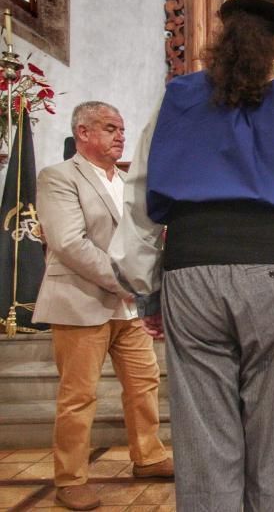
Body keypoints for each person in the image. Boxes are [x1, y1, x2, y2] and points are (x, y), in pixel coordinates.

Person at [109, 0, 274, 512]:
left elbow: (139, 200)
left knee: (203, 437)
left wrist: (147, 286)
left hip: (191, 272)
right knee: (273, 438)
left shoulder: (176, 97)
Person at [33, 101, 172, 511]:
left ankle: (147, 457)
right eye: (110, 128)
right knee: (78, 396)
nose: (120, 136)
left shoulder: (128, 180)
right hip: (80, 302)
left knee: (144, 383)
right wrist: (129, 283)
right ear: (83, 133)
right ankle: (71, 477)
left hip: (127, 309)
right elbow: (69, 243)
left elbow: (140, 239)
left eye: (121, 129)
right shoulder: (59, 177)